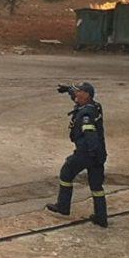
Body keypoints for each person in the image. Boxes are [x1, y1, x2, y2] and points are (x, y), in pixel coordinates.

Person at [46, 82, 108, 227]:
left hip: (87, 153)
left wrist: (90, 154)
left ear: (86, 95)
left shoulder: (86, 114)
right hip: (99, 153)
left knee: (66, 173)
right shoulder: (95, 105)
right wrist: (68, 89)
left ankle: (63, 207)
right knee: (96, 187)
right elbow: (76, 96)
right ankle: (101, 217)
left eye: (79, 92)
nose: (76, 95)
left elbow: (90, 134)